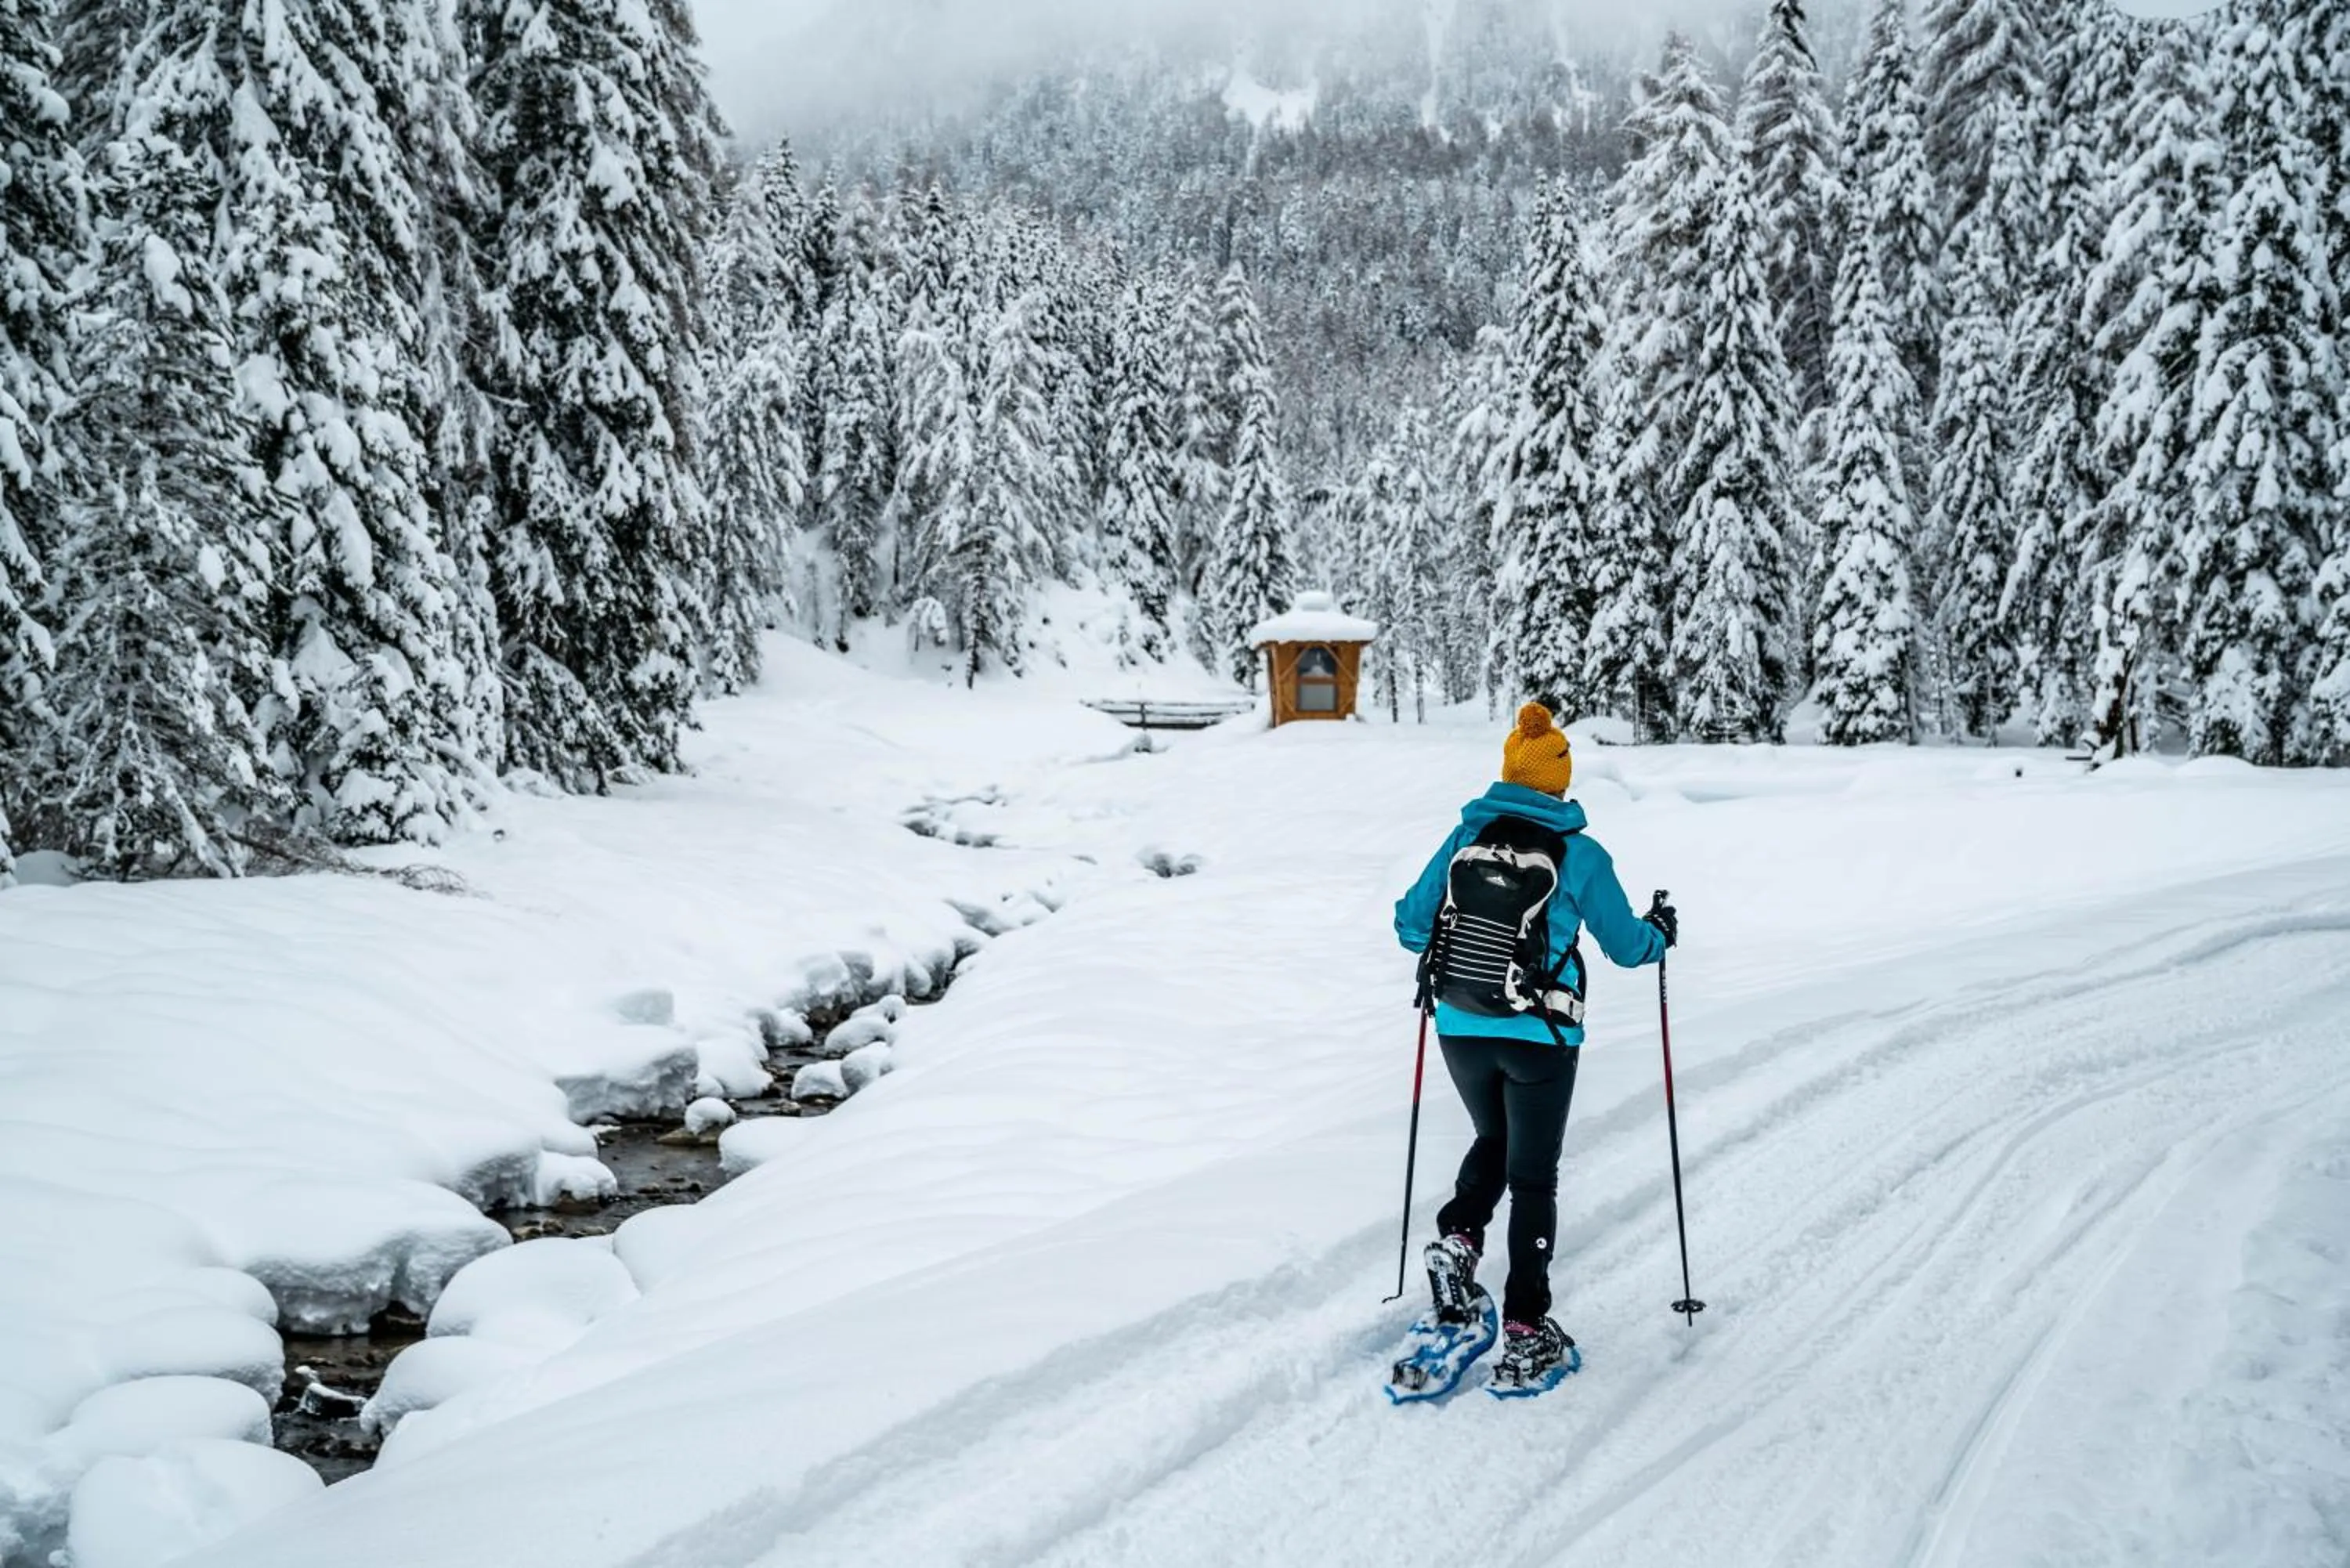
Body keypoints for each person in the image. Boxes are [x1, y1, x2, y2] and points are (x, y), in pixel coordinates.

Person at [1392, 700, 1676, 1388]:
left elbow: (1409, 924)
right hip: (1542, 1035)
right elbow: (1626, 945)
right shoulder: (1578, 853)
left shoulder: (1467, 839)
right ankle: (1525, 1327)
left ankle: (1458, 1242)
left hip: (1459, 1024)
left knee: (1493, 1137)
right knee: (1533, 1175)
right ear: (1558, 782)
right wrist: (1660, 931)